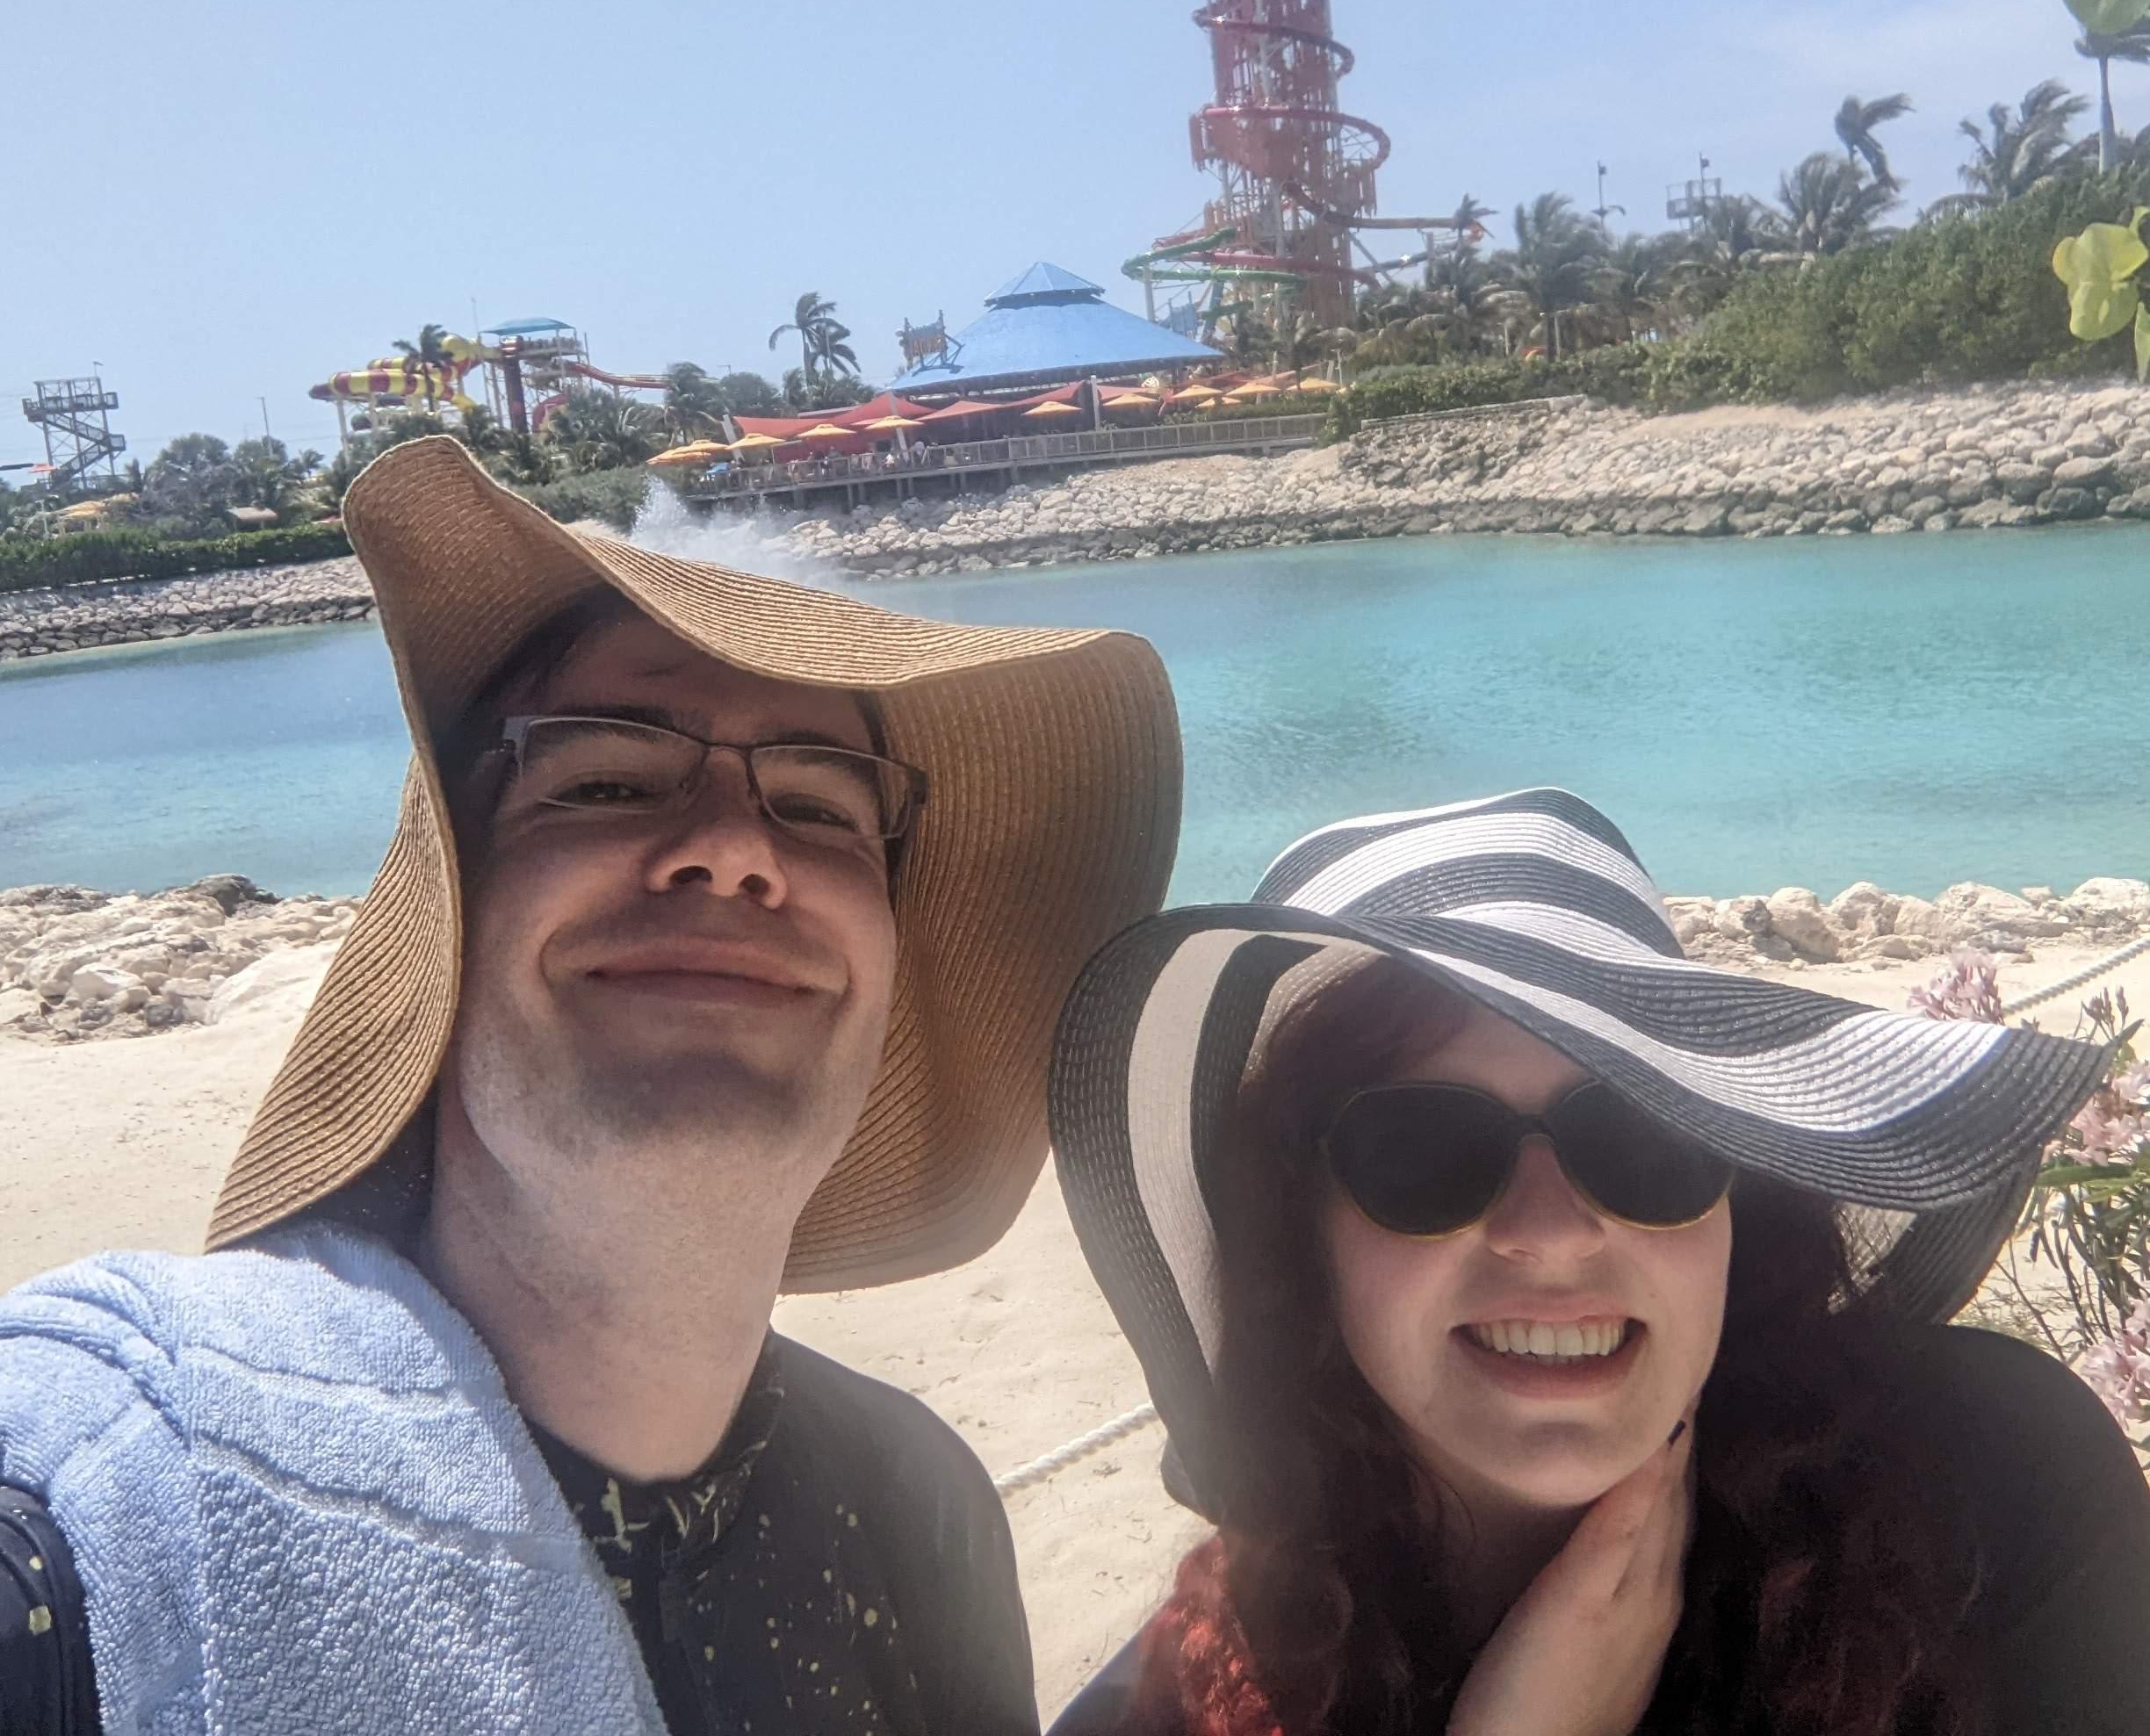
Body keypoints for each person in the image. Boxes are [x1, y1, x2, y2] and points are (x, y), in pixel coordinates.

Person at [0, 434, 1184, 1736]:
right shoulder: (92, 1521)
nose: (735, 850)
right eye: (608, 779)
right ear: (453, 929)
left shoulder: (923, 1511)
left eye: (820, 806)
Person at [1045, 789, 2150, 1736]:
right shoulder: (1180, 1709)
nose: (1555, 1229)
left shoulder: (1992, 1488)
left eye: (1644, 1139)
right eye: (1424, 1150)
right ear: (1299, 1237)